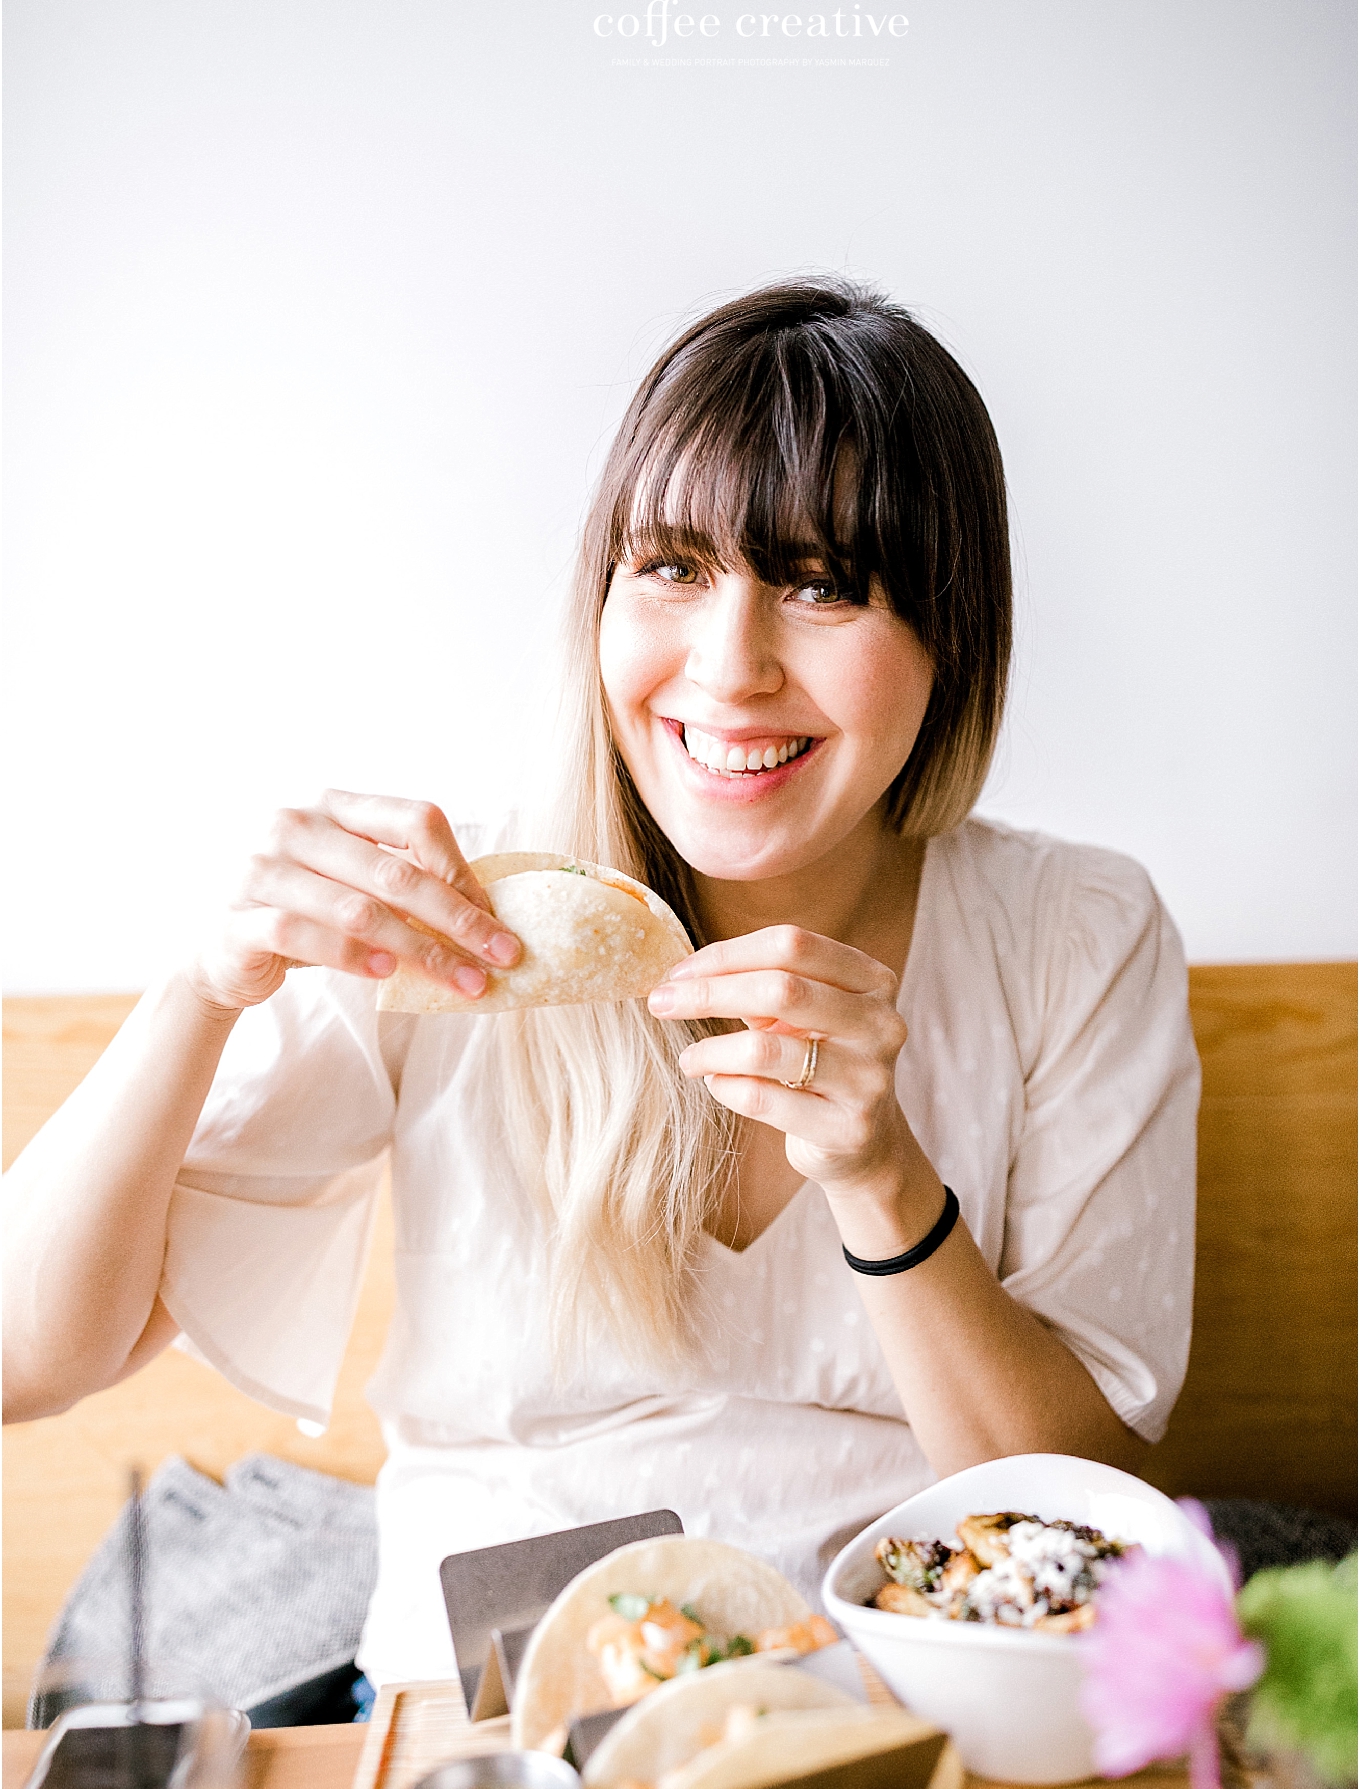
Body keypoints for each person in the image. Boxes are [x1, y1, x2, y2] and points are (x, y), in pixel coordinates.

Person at [4, 279, 1198, 1689]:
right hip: (492, 1730)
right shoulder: (446, 909)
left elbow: (1079, 1510)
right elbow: (32, 1362)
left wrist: (880, 1175)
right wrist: (203, 989)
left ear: (952, 635)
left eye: (821, 583)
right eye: (674, 568)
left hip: (901, 1706)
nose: (730, 667)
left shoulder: (1076, 931)